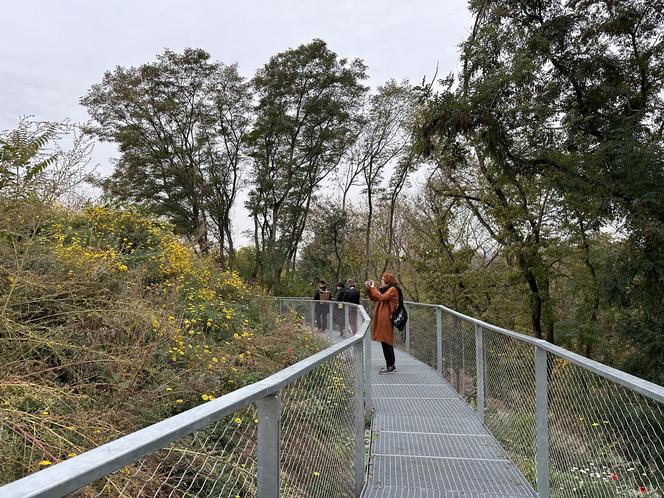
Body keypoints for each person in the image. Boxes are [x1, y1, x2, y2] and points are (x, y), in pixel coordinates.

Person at [365, 272, 400, 374]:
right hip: (382, 319)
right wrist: (369, 289)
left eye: (383, 279)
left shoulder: (392, 290)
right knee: (384, 342)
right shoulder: (385, 290)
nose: (381, 281)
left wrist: (373, 287)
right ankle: (389, 364)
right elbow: (374, 298)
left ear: (388, 280)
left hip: (387, 320)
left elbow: (381, 297)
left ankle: (391, 366)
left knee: (387, 341)